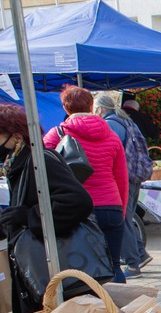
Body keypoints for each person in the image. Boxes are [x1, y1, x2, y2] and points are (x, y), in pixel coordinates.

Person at [0, 104, 94, 313]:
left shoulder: (39, 161)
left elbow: (78, 202)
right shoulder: (19, 162)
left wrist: (27, 215)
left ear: (16, 136)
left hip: (51, 267)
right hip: (37, 268)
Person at [43, 86, 128, 284]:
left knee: (81, 272)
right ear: (91, 106)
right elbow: (122, 179)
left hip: (77, 210)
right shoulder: (111, 136)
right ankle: (117, 312)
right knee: (114, 266)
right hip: (111, 207)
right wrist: (121, 212)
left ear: (65, 108)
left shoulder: (56, 135)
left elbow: (42, 173)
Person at [94, 93, 152, 278]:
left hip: (123, 177)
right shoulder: (126, 120)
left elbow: (111, 153)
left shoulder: (110, 124)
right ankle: (140, 254)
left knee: (124, 219)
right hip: (135, 176)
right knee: (129, 216)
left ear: (100, 109)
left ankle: (133, 264)